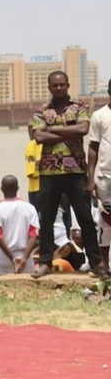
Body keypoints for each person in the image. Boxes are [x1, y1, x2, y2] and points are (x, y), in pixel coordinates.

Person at [29, 71, 106, 279]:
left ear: (68, 85)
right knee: (46, 219)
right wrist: (66, 130)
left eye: (62, 85)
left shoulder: (79, 107)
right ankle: (45, 262)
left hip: (76, 172)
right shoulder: (41, 111)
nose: (59, 88)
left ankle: (96, 264)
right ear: (49, 88)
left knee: (85, 219)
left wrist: (52, 128)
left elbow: (82, 129)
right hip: (49, 172)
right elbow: (37, 135)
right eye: (55, 85)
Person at [0, 175, 39, 275]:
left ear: (1, 189)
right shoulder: (30, 208)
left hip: (1, 261)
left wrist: (13, 259)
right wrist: (24, 259)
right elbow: (34, 235)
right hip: (26, 262)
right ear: (17, 188)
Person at [87, 78, 111, 277]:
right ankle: (105, 265)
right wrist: (90, 178)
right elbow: (93, 147)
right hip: (104, 177)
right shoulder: (99, 116)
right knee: (105, 221)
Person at [25, 138, 42, 211]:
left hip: (38, 189)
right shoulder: (33, 145)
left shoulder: (33, 144)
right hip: (36, 188)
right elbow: (31, 173)